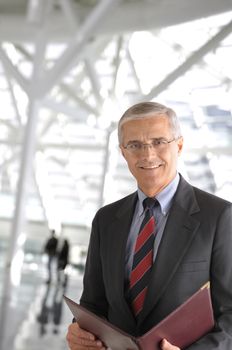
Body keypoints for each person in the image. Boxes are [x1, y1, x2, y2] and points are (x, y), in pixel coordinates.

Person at [66, 101, 232, 350]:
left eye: (158, 142)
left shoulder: (219, 217)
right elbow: (93, 304)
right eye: (135, 145)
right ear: (123, 152)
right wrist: (80, 332)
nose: (147, 154)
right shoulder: (106, 220)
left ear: (179, 145)